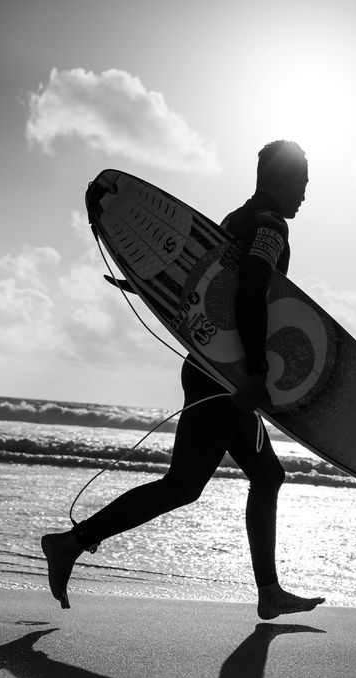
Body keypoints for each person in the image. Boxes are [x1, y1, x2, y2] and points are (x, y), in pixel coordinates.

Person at [41, 140, 324, 620]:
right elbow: (249, 293)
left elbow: (203, 278)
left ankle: (269, 592)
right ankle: (71, 542)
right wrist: (257, 372)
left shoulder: (235, 219)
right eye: (300, 182)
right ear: (279, 179)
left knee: (266, 475)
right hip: (224, 378)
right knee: (183, 486)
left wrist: (146, 284)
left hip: (214, 371)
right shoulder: (271, 228)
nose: (303, 194)